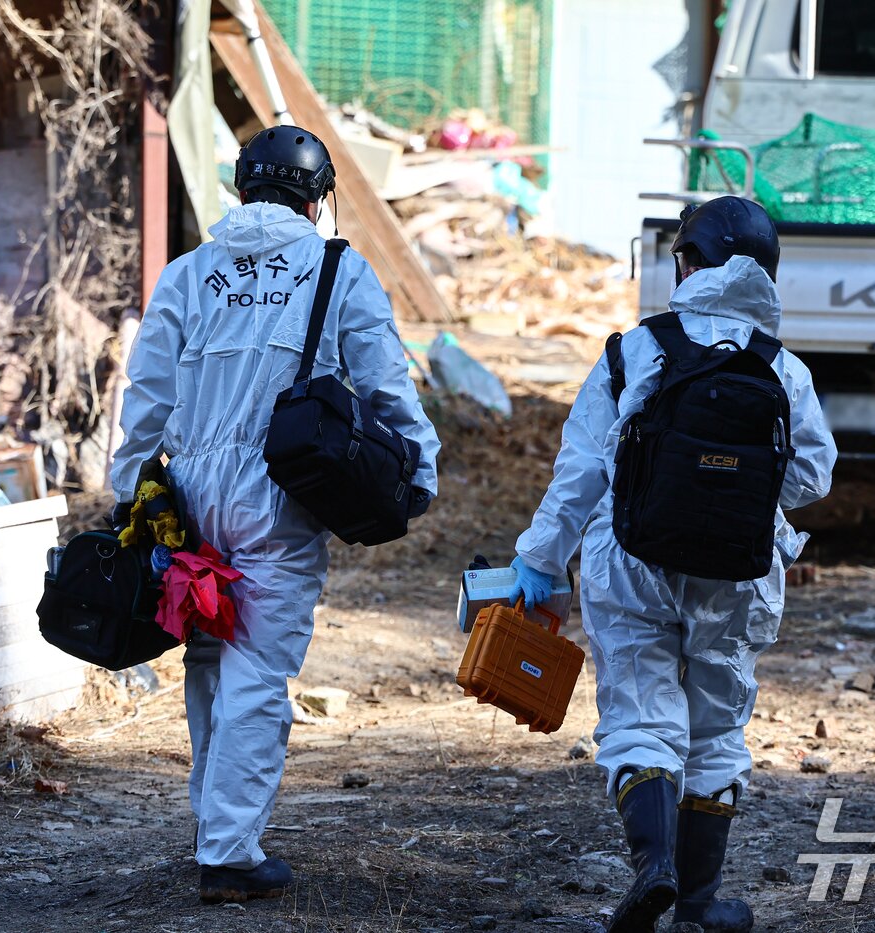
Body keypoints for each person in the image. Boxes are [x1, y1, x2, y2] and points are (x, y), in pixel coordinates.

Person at [110, 125, 440, 903]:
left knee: (208, 654)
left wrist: (131, 488)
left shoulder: (189, 274)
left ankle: (212, 822)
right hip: (279, 493)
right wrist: (418, 468)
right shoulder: (338, 270)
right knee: (258, 665)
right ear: (317, 196)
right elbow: (386, 384)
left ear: (241, 187)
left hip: (189, 495)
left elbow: (147, 396)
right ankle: (227, 851)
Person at [510, 196, 836, 933]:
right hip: (738, 568)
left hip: (631, 555)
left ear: (687, 265)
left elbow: (580, 473)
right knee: (716, 726)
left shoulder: (635, 351)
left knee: (638, 715)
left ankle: (651, 865)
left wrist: (541, 561)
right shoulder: (781, 366)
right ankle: (696, 903)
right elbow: (812, 476)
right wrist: (741, 488)